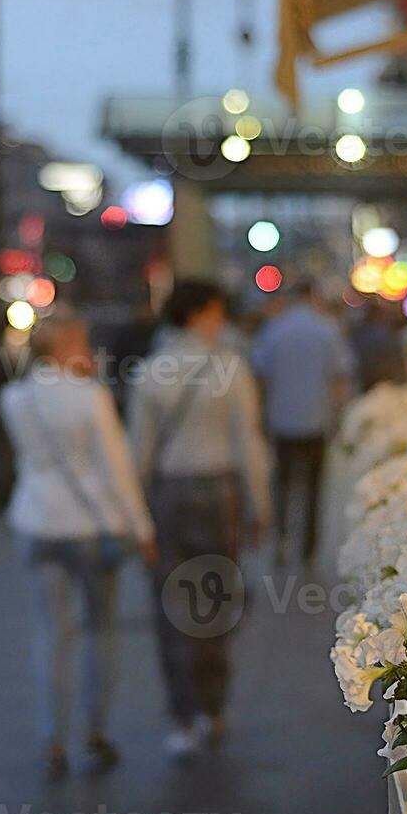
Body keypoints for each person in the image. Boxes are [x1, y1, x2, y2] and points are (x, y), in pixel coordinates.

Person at [0, 314, 156, 780]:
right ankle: (95, 729)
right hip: (88, 527)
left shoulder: (13, 396)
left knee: (51, 632)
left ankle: (52, 737)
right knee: (101, 629)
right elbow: (116, 469)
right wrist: (141, 527)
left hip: (36, 521)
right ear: (68, 347)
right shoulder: (90, 397)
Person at [129, 280, 271, 758]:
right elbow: (248, 443)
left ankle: (182, 716)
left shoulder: (149, 371)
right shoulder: (230, 368)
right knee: (216, 599)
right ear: (199, 314)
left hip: (168, 493)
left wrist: (137, 519)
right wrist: (260, 505)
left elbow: (139, 454)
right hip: (220, 493)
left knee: (171, 605)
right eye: (216, 312)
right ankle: (215, 706)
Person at [250, 278, 355, 568]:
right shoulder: (327, 328)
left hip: (281, 419)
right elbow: (340, 377)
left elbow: (260, 375)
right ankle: (308, 550)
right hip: (316, 420)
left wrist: (259, 415)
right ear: (313, 296)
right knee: (313, 487)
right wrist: (340, 416)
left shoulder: (274, 329)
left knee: (282, 484)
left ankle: (281, 540)